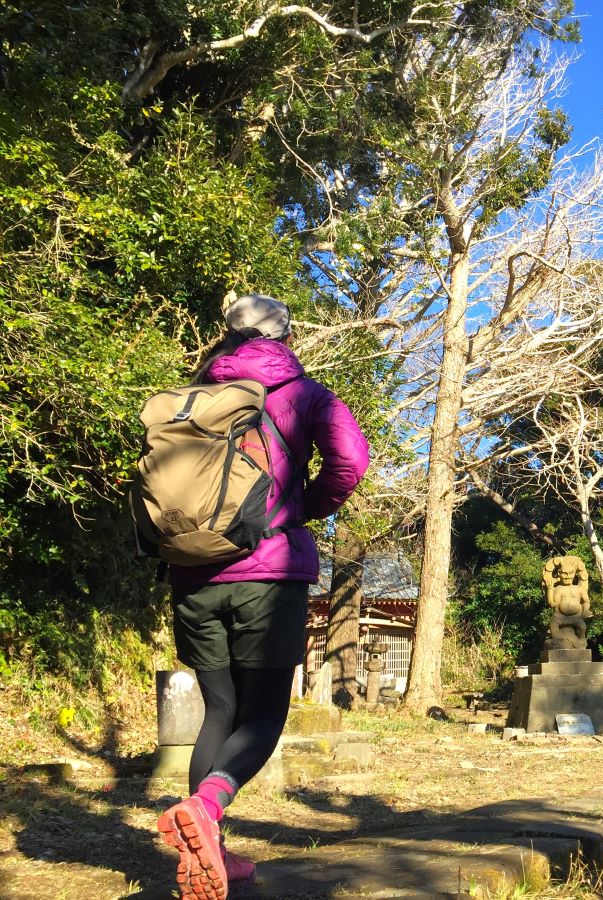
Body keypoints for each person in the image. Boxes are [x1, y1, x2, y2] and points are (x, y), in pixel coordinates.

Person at [156, 294, 369, 898]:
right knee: (265, 715)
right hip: (267, 575)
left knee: (218, 710)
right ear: (284, 335)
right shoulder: (304, 395)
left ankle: (210, 852)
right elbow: (350, 461)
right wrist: (304, 506)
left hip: (193, 572)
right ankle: (208, 809)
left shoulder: (193, 398)